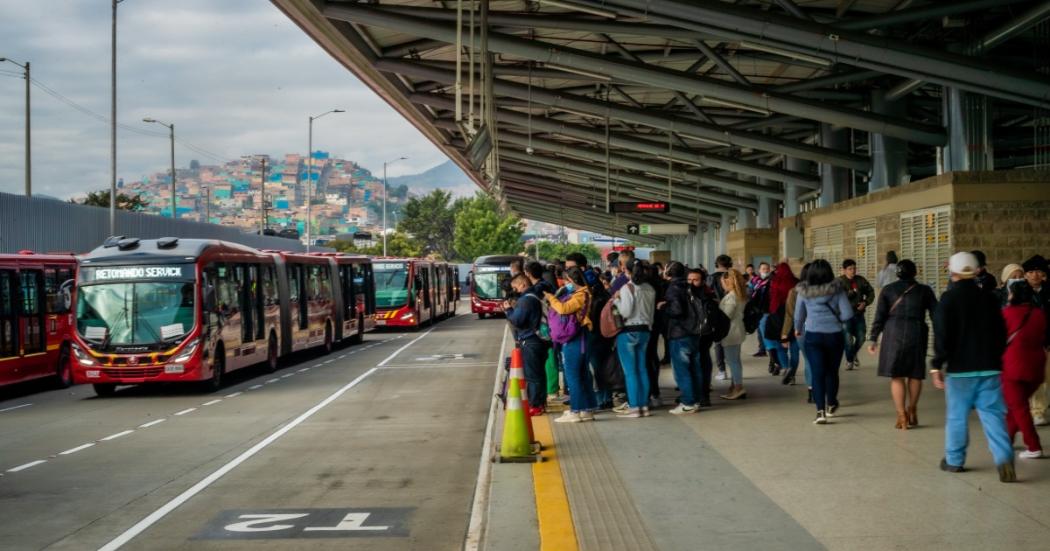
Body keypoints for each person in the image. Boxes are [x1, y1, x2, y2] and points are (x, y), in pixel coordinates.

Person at [931, 252, 1014, 482]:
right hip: (989, 367)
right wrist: (996, 358)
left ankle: (954, 460)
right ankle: (1004, 458)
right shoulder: (989, 298)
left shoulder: (948, 300)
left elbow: (942, 335)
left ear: (952, 272)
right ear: (977, 270)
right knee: (993, 416)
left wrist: (937, 364)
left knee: (957, 417)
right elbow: (1001, 332)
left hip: (960, 371)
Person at [867, 260, 937, 430]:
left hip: (893, 332)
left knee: (897, 375)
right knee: (915, 374)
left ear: (897, 273)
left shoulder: (888, 290)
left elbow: (880, 316)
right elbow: (936, 314)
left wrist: (873, 338)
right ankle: (912, 409)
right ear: (915, 272)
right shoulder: (924, 290)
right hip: (917, 331)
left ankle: (901, 415)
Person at [794, 259, 853, 424]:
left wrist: (797, 328)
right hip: (834, 336)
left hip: (813, 336)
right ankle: (832, 403)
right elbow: (848, 314)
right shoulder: (838, 290)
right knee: (831, 372)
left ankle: (820, 412)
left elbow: (799, 315)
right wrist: (837, 320)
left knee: (817, 373)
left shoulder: (803, 292)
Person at [1001, 281, 1048, 459]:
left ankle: (1034, 445)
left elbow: (999, 338)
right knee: (1016, 406)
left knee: (1018, 407)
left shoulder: (1006, 313)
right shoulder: (1039, 314)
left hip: (1013, 366)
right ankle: (1006, 440)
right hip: (1036, 367)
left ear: (1012, 295)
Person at [545, 267, 596, 423]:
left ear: (572, 280)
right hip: (580, 337)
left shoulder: (581, 295)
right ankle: (587, 409)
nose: (565, 283)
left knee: (573, 375)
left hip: (576, 338)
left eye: (566, 280)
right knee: (582, 375)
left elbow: (563, 308)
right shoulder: (582, 293)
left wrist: (551, 298)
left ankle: (575, 411)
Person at [612, 262, 657, 418]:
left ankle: (634, 407)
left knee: (630, 372)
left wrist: (616, 300)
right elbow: (651, 313)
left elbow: (625, 312)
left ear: (628, 272)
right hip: (645, 330)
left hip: (628, 331)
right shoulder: (650, 288)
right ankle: (644, 405)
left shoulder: (627, 288)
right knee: (642, 369)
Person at [503, 274, 548, 416]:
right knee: (539, 373)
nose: (514, 290)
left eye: (515, 287)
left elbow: (517, 321)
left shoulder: (525, 301)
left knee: (532, 375)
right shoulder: (534, 296)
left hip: (530, 341)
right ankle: (540, 402)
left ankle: (535, 405)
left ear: (522, 284)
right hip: (539, 340)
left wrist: (508, 310)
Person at [664, 262, 703, 414]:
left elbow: (677, 310)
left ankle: (688, 402)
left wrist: (664, 307)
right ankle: (697, 399)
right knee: (695, 368)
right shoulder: (689, 286)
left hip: (679, 333)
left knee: (682, 370)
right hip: (694, 332)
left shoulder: (673, 288)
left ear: (668, 272)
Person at [1021, 254, 1050, 426]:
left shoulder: (1048, 291)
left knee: (1046, 377)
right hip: (1028, 343)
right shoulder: (1020, 292)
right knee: (1035, 378)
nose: (1034, 275)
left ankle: (1040, 408)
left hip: (1047, 341)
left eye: (1038, 271)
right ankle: (1037, 411)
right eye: (1030, 272)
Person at [765, 262, 799, 385]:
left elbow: (772, 298)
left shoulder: (775, 281)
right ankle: (793, 374)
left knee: (780, 346)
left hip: (778, 315)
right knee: (794, 348)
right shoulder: (796, 281)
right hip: (794, 315)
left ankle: (786, 367)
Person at [687, 268, 717, 406]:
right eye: (689, 279)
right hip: (693, 333)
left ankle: (703, 393)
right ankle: (699, 393)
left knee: (702, 362)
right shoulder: (686, 294)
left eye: (695, 280)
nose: (692, 282)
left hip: (704, 334)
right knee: (698, 362)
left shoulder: (707, 296)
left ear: (703, 281)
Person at [782, 263, 812, 401]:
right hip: (825, 329)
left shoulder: (795, 291)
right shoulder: (829, 290)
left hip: (802, 330)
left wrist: (786, 332)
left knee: (808, 360)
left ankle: (812, 390)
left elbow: (791, 314)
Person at [838, 259, 875, 371]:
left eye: (854, 268)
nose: (853, 271)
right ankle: (849, 361)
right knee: (848, 340)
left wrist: (865, 302)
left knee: (861, 337)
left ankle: (852, 354)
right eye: (850, 269)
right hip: (845, 317)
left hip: (858, 314)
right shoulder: (839, 282)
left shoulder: (860, 280)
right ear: (844, 270)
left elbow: (871, 292)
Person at [719, 269, 749, 400]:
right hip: (737, 330)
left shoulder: (731, 296)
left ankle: (738, 387)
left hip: (730, 331)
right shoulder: (739, 294)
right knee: (735, 360)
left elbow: (726, 316)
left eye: (722, 281)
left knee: (732, 362)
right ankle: (734, 386)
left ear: (727, 281)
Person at [708, 255, 732, 380]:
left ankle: (722, 370)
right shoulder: (734, 276)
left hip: (717, 312)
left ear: (716, 264)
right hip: (732, 311)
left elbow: (708, 295)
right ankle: (734, 368)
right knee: (732, 342)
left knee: (718, 342)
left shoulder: (711, 278)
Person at [751, 262, 773, 360]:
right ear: (759, 270)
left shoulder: (771, 281)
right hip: (758, 310)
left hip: (767, 310)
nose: (766, 270)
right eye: (763, 269)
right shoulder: (757, 281)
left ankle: (771, 353)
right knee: (760, 332)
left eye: (767, 269)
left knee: (765, 332)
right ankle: (762, 350)